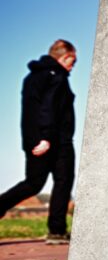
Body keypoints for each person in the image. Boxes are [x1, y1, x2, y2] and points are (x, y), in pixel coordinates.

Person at [0, 40, 77, 244]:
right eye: (73, 61)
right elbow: (48, 109)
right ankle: (57, 231)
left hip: (35, 139)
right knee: (63, 181)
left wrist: (35, 139)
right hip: (55, 141)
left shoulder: (33, 76)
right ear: (64, 56)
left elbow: (32, 111)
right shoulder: (56, 76)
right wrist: (46, 138)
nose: (72, 66)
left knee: (33, 183)